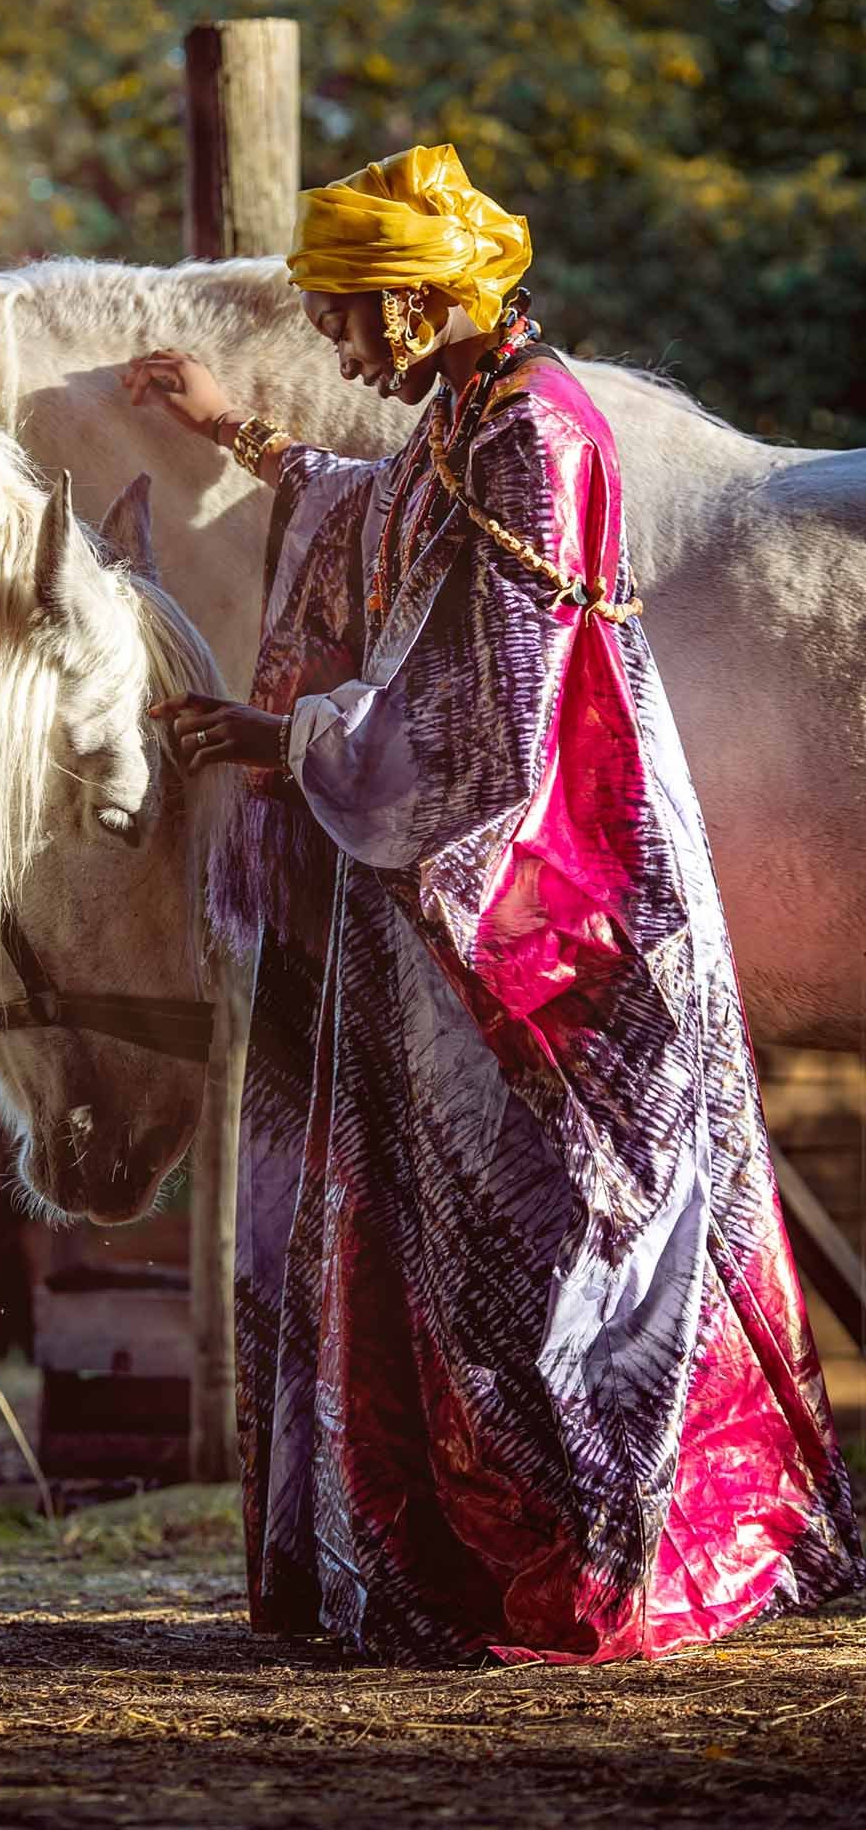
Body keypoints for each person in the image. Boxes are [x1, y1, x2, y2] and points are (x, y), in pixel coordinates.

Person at [123, 144, 864, 1665]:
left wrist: (285, 740)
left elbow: (495, 724)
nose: (336, 343)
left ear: (412, 305)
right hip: (471, 889)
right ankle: (477, 1550)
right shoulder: (476, 415)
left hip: (549, 899)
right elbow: (390, 515)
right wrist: (243, 440)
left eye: (346, 313)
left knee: (541, 1234)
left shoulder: (535, 434)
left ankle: (587, 1557)